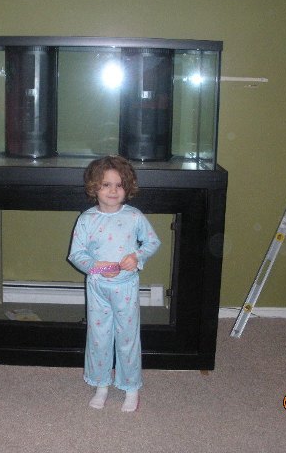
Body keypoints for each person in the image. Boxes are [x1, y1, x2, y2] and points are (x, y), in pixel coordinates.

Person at [68, 155, 161, 412]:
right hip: (98, 287)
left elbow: (152, 242)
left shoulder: (134, 216)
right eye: (106, 185)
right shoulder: (86, 220)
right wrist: (96, 266)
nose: (113, 191)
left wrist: (136, 257)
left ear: (126, 187)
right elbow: (76, 254)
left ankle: (131, 387)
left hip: (126, 287)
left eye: (119, 185)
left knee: (127, 336)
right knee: (98, 336)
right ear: (94, 187)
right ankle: (101, 384)